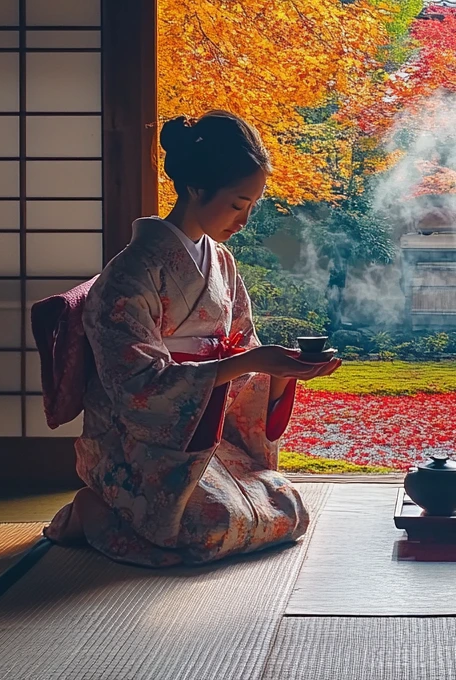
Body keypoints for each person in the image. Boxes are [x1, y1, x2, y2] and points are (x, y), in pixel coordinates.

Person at [44, 112, 340, 566]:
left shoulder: (220, 263)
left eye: (252, 206)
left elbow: (241, 346)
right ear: (197, 188)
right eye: (238, 203)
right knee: (209, 528)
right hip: (139, 441)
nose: (244, 220)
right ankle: (92, 509)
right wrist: (248, 363)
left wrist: (278, 371)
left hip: (204, 430)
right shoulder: (129, 274)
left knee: (287, 510)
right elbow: (137, 388)